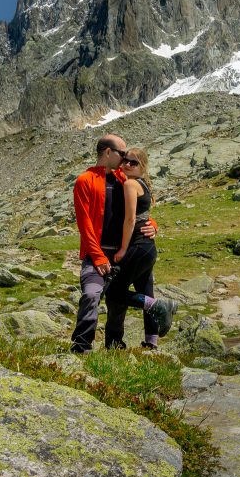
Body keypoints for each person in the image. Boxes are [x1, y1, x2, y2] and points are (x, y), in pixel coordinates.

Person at [69, 135, 175, 352]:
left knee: (117, 302)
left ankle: (114, 346)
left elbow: (137, 211)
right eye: (122, 154)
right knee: (91, 294)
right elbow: (85, 224)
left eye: (129, 158)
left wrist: (152, 224)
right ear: (108, 153)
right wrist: (97, 257)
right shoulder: (85, 180)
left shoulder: (123, 179)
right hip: (96, 254)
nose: (125, 160)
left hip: (120, 253)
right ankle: (81, 346)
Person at [108, 147, 177, 349]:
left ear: (142, 166)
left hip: (137, 246)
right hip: (148, 248)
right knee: (145, 290)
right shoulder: (143, 184)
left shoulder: (130, 184)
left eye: (133, 162)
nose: (127, 164)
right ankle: (151, 344)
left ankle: (161, 306)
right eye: (126, 161)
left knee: (114, 292)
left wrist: (122, 250)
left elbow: (130, 220)